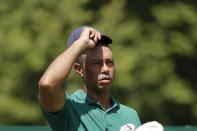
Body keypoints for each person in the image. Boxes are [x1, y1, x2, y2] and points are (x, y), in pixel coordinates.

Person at [39, 26, 141, 131]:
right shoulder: (68, 108)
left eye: (109, 62)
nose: (105, 69)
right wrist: (81, 43)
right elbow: (48, 85)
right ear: (79, 69)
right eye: (97, 63)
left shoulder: (130, 115)